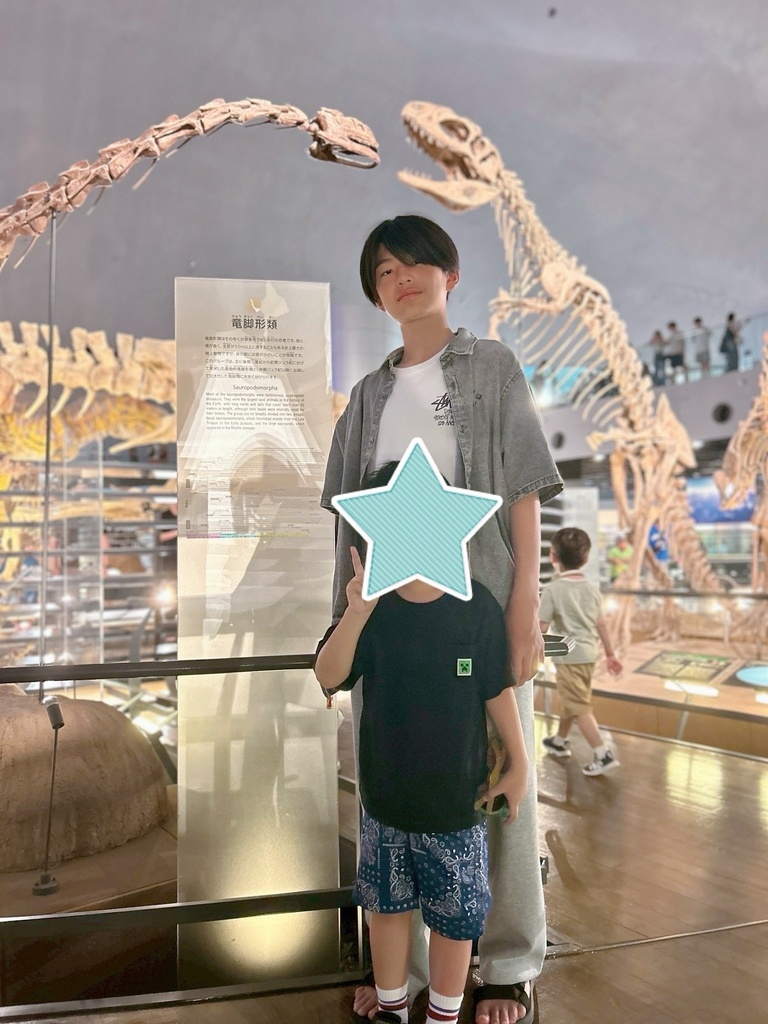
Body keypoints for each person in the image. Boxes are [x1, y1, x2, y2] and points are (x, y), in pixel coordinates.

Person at [321, 214, 563, 1024]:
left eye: (415, 264)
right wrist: (343, 622)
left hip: (477, 611)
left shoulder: (491, 367)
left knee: (500, 783)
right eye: (384, 271)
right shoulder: (367, 396)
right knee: (395, 784)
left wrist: (525, 600)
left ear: (448, 274)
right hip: (389, 623)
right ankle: (409, 975)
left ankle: (508, 965)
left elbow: (523, 488)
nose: (402, 279)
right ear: (376, 293)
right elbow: (346, 522)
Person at [315, 463, 529, 1024]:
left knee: (456, 918)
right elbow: (329, 675)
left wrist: (520, 763)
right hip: (384, 804)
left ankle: (443, 1014)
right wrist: (356, 613)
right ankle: (392, 1007)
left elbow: (496, 689)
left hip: (457, 805)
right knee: (386, 909)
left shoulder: (476, 607)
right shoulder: (371, 610)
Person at [539, 528, 623, 775]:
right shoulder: (591, 589)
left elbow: (541, 628)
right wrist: (610, 654)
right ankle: (559, 741)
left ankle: (602, 754)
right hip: (589, 655)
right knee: (573, 700)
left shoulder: (553, 590)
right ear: (586, 558)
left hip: (569, 657)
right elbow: (601, 624)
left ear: (553, 556)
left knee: (578, 706)